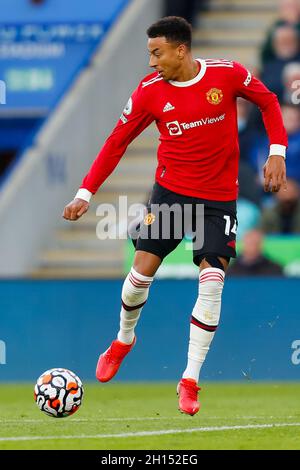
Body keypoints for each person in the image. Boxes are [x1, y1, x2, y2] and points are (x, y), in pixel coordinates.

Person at [63, 17, 288, 416]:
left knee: (213, 281)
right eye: (150, 53)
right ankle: (123, 339)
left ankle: (189, 380)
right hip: (170, 197)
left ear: (180, 50)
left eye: (157, 52)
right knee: (139, 277)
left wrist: (277, 152)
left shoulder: (227, 74)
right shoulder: (149, 93)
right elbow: (117, 143)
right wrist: (85, 193)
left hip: (218, 199)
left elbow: (269, 101)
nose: (151, 62)